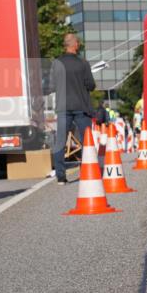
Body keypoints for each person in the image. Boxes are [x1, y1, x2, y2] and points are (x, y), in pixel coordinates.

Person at [50, 33, 96, 185]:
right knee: (86, 140)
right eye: (78, 42)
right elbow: (91, 85)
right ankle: (87, 171)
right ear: (74, 44)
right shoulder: (83, 63)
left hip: (63, 107)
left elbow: (51, 85)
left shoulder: (57, 63)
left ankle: (60, 176)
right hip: (81, 106)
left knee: (60, 142)